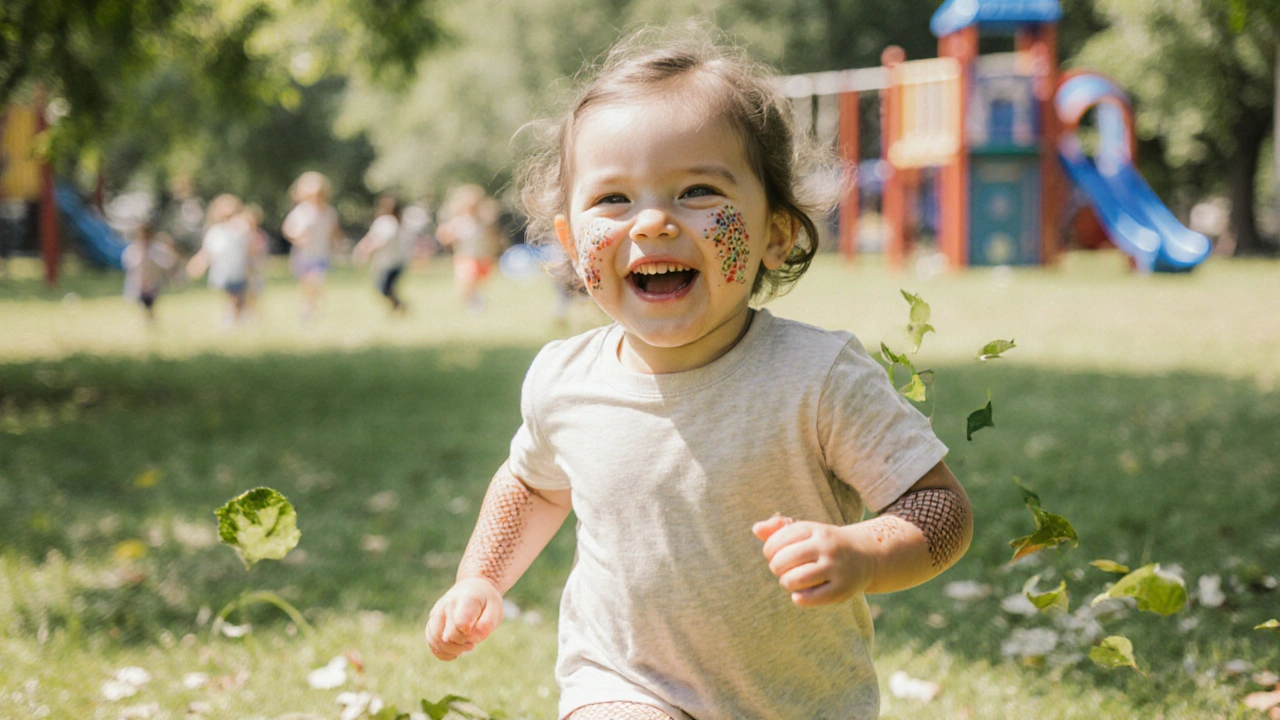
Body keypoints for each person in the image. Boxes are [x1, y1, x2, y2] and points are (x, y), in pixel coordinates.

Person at [425, 26, 973, 720]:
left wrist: (862, 552)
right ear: (569, 240)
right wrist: (480, 576)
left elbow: (940, 509)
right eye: (613, 199)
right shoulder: (564, 380)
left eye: (697, 191)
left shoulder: (819, 378)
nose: (652, 223)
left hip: (798, 702)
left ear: (776, 233)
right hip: (625, 680)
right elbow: (531, 485)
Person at [435, 184, 505, 313]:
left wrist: (495, 248)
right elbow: (444, 234)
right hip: (465, 256)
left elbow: (492, 237)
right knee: (467, 281)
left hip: (481, 255)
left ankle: (474, 300)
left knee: (475, 282)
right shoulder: (459, 221)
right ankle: (473, 303)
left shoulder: (483, 221)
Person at [282, 171, 342, 320]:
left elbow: (334, 231)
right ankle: (307, 307)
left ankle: (311, 306)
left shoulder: (329, 212)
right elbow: (288, 229)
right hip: (304, 254)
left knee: (316, 279)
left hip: (321, 253)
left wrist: (338, 244)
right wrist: (298, 238)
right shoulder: (301, 211)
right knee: (306, 284)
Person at [187, 193, 252, 325]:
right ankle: (232, 317)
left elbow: (249, 244)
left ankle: (240, 315)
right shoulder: (216, 232)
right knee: (232, 294)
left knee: (241, 294)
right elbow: (207, 252)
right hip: (225, 270)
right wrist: (198, 264)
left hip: (239, 268)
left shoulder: (240, 228)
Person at [352, 193, 410, 314]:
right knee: (382, 288)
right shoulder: (381, 222)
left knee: (385, 288)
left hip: (394, 262)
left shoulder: (392, 223)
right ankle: (397, 307)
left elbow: (380, 241)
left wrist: (366, 252)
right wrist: (361, 248)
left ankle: (399, 306)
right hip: (384, 262)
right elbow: (371, 237)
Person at [121, 218, 177, 324]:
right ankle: (146, 320)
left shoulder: (157, 249)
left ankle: (151, 319)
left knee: (151, 302)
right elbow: (129, 264)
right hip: (139, 283)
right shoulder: (134, 250)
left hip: (153, 282)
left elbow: (168, 262)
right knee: (141, 302)